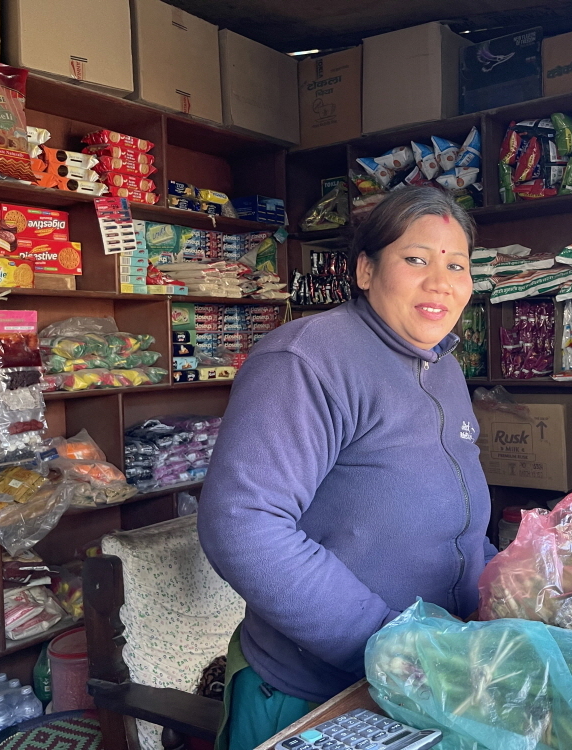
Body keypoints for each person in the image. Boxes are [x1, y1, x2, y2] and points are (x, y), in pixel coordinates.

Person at [198, 186, 496, 750]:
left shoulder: (443, 366)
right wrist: (388, 644)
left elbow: (455, 520)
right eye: (416, 259)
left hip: (430, 681)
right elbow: (242, 524)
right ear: (365, 270)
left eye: (457, 265)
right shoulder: (308, 359)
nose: (441, 281)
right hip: (317, 697)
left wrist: (512, 580)